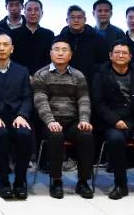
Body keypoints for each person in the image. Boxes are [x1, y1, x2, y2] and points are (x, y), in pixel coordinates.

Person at [90, 42, 134, 200]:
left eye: (124, 53)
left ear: (130, 56)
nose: (121, 55)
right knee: (116, 139)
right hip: (113, 124)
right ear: (110, 55)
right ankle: (121, 185)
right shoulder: (100, 74)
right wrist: (115, 120)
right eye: (117, 52)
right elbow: (98, 104)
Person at [33, 39, 95, 199]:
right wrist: (50, 121)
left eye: (64, 50)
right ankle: (56, 180)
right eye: (56, 49)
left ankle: (83, 181)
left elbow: (84, 100)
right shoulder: (41, 74)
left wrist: (84, 120)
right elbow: (40, 101)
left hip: (73, 121)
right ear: (50, 53)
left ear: (70, 55)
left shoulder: (78, 75)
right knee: (56, 135)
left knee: (86, 135)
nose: (60, 53)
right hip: (50, 122)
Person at [0, 33, 33, 200]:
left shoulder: (22, 71)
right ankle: (3, 182)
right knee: (0, 134)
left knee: (24, 134)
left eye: (5, 45)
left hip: (17, 116)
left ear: (12, 48)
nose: (2, 48)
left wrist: (22, 115)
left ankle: (20, 182)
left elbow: (27, 97)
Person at [57, 5, 110, 78]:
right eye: (72, 17)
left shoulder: (97, 39)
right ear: (67, 20)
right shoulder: (59, 40)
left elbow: (105, 63)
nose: (76, 20)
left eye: (79, 17)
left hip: (89, 80)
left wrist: (92, 72)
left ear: (85, 20)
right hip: (64, 80)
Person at [8, 0, 54, 73]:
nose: (33, 13)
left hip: (43, 77)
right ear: (24, 13)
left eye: (36, 10)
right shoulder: (13, 34)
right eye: (29, 10)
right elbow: (10, 59)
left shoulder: (49, 35)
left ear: (42, 13)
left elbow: (51, 60)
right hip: (18, 76)